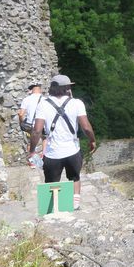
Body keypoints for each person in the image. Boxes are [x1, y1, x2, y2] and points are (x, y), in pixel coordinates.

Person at [28, 75, 96, 211]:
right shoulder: (77, 103)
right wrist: (92, 140)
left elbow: (36, 131)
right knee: (75, 178)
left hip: (53, 153)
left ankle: (52, 208)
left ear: (52, 89)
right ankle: (75, 204)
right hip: (73, 151)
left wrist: (32, 150)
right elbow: (86, 127)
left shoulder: (43, 104)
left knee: (51, 183)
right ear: (67, 88)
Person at [18, 83, 47, 158]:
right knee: (45, 139)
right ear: (40, 90)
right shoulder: (45, 99)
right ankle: (44, 156)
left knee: (30, 141)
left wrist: (21, 123)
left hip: (30, 125)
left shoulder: (26, 99)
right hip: (43, 124)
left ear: (31, 90)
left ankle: (32, 161)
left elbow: (21, 114)